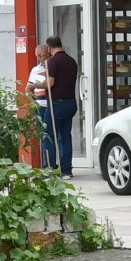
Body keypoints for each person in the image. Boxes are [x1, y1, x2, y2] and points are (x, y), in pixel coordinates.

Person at [43, 35, 79, 177]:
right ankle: (66, 170)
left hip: (56, 104)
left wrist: (38, 85)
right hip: (70, 103)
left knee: (48, 136)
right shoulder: (71, 61)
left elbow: (50, 83)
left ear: (48, 47)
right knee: (65, 137)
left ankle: (49, 170)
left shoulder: (53, 62)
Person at [26, 43, 51, 165]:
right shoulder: (35, 70)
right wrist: (34, 104)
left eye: (43, 55)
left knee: (53, 135)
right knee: (44, 135)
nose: (41, 58)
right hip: (40, 105)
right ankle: (46, 164)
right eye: (38, 56)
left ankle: (53, 164)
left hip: (51, 104)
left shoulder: (53, 67)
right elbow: (27, 89)